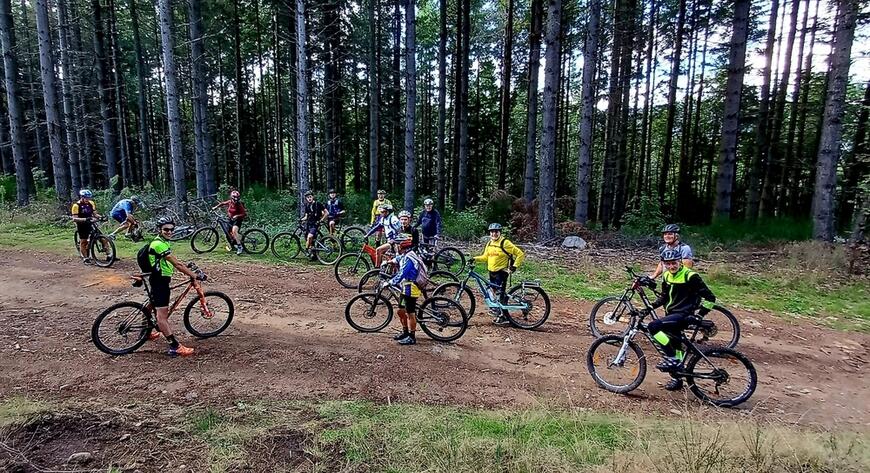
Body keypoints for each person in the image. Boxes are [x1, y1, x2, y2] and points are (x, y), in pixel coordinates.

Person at [647, 248, 717, 391]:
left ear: (680, 262)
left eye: (674, 263)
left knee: (653, 327)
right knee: (676, 344)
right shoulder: (666, 276)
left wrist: (700, 315)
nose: (671, 267)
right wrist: (650, 307)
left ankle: (671, 358)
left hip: (684, 315)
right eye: (668, 264)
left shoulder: (690, 276)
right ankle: (677, 378)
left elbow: (710, 298)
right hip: (671, 314)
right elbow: (664, 297)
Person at [146, 217, 204, 357]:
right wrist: (193, 275)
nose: (170, 232)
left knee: (151, 305)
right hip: (160, 281)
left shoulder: (161, 242)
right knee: (162, 316)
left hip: (158, 279)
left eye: (172, 229)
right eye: (166, 229)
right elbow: (177, 265)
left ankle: (146, 332)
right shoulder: (159, 244)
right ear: (159, 230)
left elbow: (173, 261)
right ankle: (174, 346)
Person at [473, 223, 525, 325]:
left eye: (496, 232)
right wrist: (474, 259)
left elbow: (520, 254)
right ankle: (499, 312)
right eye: (492, 232)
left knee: (494, 292)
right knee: (493, 292)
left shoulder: (505, 243)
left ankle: (501, 314)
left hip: (501, 272)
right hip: (492, 272)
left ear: (499, 232)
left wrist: (514, 266)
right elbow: (485, 257)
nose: (494, 234)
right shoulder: (489, 243)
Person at [388, 234, 425, 345]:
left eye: (397, 245)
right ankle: (405, 332)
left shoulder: (409, 258)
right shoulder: (406, 254)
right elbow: (398, 259)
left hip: (411, 288)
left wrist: (390, 282)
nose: (395, 247)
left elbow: (402, 273)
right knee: (401, 311)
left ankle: (412, 337)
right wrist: (390, 262)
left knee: (410, 313)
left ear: (401, 246)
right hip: (406, 287)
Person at [212, 190, 248, 255]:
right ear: (232, 197)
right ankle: (233, 245)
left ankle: (240, 247)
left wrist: (237, 215)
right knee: (228, 233)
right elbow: (222, 203)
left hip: (238, 220)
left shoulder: (239, 205)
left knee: (234, 231)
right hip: (231, 219)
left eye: (237, 197)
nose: (236, 199)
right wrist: (216, 207)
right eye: (234, 197)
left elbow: (244, 213)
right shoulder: (230, 202)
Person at [71, 189, 100, 264]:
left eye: (89, 198)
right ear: (82, 197)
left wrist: (100, 217)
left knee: (102, 238)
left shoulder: (91, 203)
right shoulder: (76, 206)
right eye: (86, 198)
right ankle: (85, 258)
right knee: (83, 241)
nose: (88, 199)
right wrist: (85, 219)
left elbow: (95, 214)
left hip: (90, 223)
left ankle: (109, 255)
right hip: (82, 225)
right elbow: (74, 219)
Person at [301, 190, 327, 261]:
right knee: (310, 240)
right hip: (308, 224)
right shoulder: (307, 205)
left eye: (310, 197)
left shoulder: (318, 204)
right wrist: (301, 220)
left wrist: (322, 220)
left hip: (315, 224)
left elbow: (326, 213)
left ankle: (306, 250)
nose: (309, 198)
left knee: (310, 236)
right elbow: (306, 216)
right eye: (307, 197)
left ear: (313, 197)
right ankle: (314, 255)